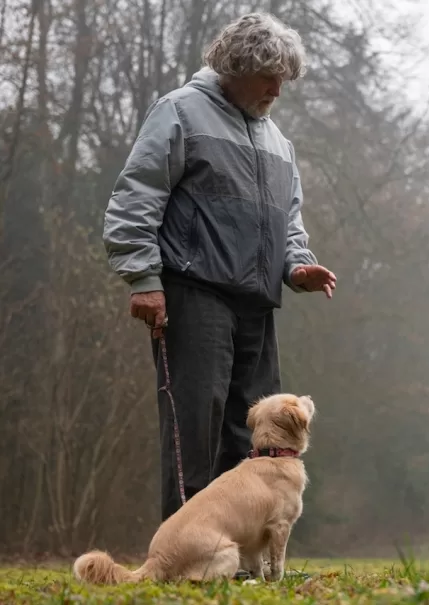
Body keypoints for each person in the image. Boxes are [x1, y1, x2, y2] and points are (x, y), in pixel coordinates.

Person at [102, 13, 336, 525]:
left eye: (284, 78)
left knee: (256, 436)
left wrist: (298, 266)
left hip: (257, 304)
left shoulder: (278, 141)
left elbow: (289, 219)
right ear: (235, 66)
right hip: (193, 294)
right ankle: (184, 555)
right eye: (269, 75)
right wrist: (143, 279)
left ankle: (241, 559)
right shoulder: (180, 113)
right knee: (195, 428)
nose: (278, 87)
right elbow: (136, 197)